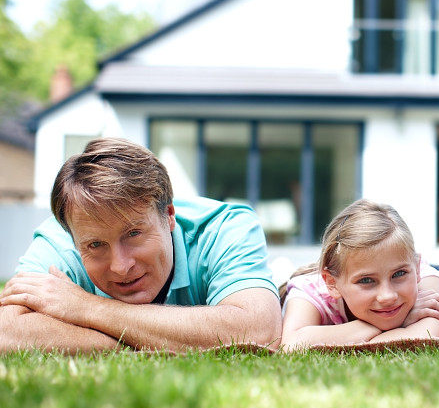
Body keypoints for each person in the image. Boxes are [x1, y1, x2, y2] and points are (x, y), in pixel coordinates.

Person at [0, 138, 281, 353]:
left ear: (168, 215)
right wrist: (143, 341)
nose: (121, 266)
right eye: (96, 245)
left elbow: (259, 329)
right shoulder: (61, 238)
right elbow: (7, 331)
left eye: (133, 234)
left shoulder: (224, 228)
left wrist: (87, 308)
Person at [280, 199, 439, 351]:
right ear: (332, 283)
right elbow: (291, 345)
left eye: (399, 274)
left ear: (416, 269)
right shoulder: (310, 291)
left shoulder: (425, 277)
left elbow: (427, 333)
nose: (387, 296)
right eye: (366, 280)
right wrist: (387, 326)